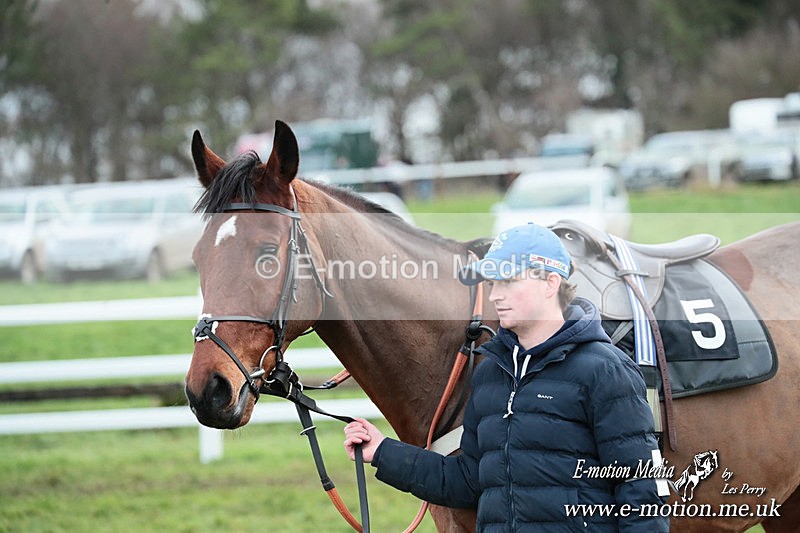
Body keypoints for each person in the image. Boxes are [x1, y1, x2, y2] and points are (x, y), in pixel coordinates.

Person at [344, 222, 669, 531]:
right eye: (492, 283)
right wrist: (383, 450)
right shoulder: (490, 376)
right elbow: (467, 481)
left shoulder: (606, 370)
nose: (496, 295)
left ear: (550, 283)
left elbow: (642, 490)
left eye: (508, 281)